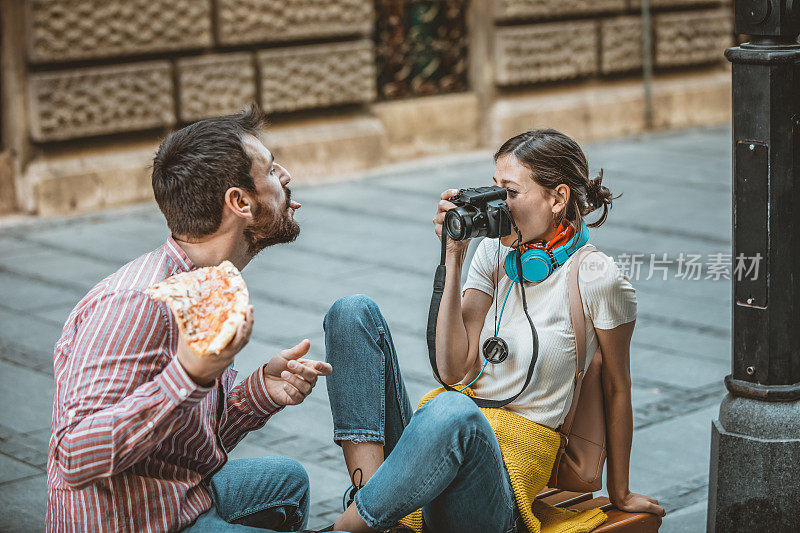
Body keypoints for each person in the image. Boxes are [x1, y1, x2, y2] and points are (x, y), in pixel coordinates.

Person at [321, 129, 667, 533]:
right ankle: (373, 507)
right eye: (494, 187)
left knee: (454, 410)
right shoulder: (493, 251)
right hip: (438, 442)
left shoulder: (596, 277)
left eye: (510, 192)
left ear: (557, 197)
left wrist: (620, 491)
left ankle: (350, 527)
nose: (497, 204)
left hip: (493, 490)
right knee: (351, 314)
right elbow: (453, 370)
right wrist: (453, 257)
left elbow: (617, 386)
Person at [46, 106, 333, 532]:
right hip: (128, 521)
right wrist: (186, 376)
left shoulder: (207, 282)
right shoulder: (137, 304)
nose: (286, 175)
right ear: (239, 202)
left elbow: (187, 443)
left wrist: (261, 391)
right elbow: (73, 456)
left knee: (287, 481)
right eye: (271, 171)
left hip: (171, 493)